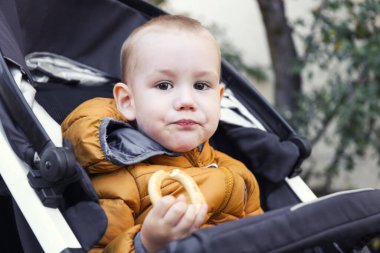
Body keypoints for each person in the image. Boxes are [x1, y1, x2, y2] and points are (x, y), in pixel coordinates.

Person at [61, 14, 263, 253]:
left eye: (201, 86)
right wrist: (147, 243)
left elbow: (263, 237)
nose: (186, 101)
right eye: (164, 85)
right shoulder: (119, 183)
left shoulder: (238, 172)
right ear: (128, 101)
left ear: (219, 99)